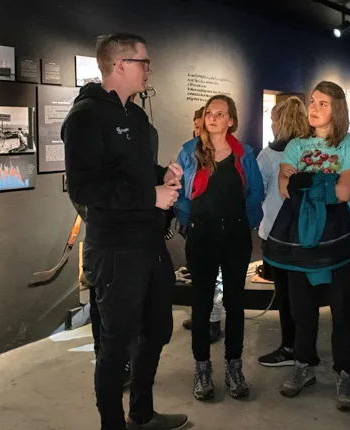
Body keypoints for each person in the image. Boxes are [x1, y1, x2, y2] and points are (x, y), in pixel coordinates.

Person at [62, 33, 188, 430]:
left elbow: (129, 175)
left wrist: (160, 176)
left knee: (157, 330)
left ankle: (142, 413)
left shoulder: (135, 115)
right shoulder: (86, 117)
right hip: (115, 248)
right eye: (143, 62)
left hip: (148, 243)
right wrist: (149, 195)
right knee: (115, 346)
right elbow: (84, 188)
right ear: (119, 66)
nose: (149, 69)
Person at [266, 81, 350, 411]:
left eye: (323, 103)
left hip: (339, 241)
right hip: (301, 240)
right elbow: (285, 187)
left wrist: (305, 182)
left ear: (336, 108)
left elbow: (345, 193)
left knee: (342, 310)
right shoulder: (297, 144)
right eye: (313, 101)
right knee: (301, 309)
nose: (314, 107)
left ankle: (345, 373)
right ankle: (302, 366)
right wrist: (322, 182)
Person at [173, 94, 264, 401]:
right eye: (209, 112)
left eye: (220, 113)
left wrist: (242, 223)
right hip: (202, 236)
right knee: (200, 304)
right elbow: (180, 194)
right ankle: (202, 369)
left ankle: (234, 367)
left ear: (231, 121)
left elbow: (255, 194)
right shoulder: (190, 152)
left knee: (235, 304)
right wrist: (191, 221)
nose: (212, 117)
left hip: (236, 235)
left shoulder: (244, 155)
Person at [256, 97, 310, 367]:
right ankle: (304, 349)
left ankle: (290, 348)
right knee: (303, 294)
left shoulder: (268, 155)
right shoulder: (313, 151)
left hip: (277, 233)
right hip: (307, 232)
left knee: (286, 295)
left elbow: (257, 191)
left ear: (279, 121)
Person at [180, 104, 225, 342]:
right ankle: (201, 316)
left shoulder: (221, 155)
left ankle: (213, 321)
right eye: (195, 127)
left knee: (215, 276)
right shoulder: (189, 153)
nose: (197, 131)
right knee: (198, 274)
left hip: (214, 226)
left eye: (201, 127)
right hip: (194, 224)